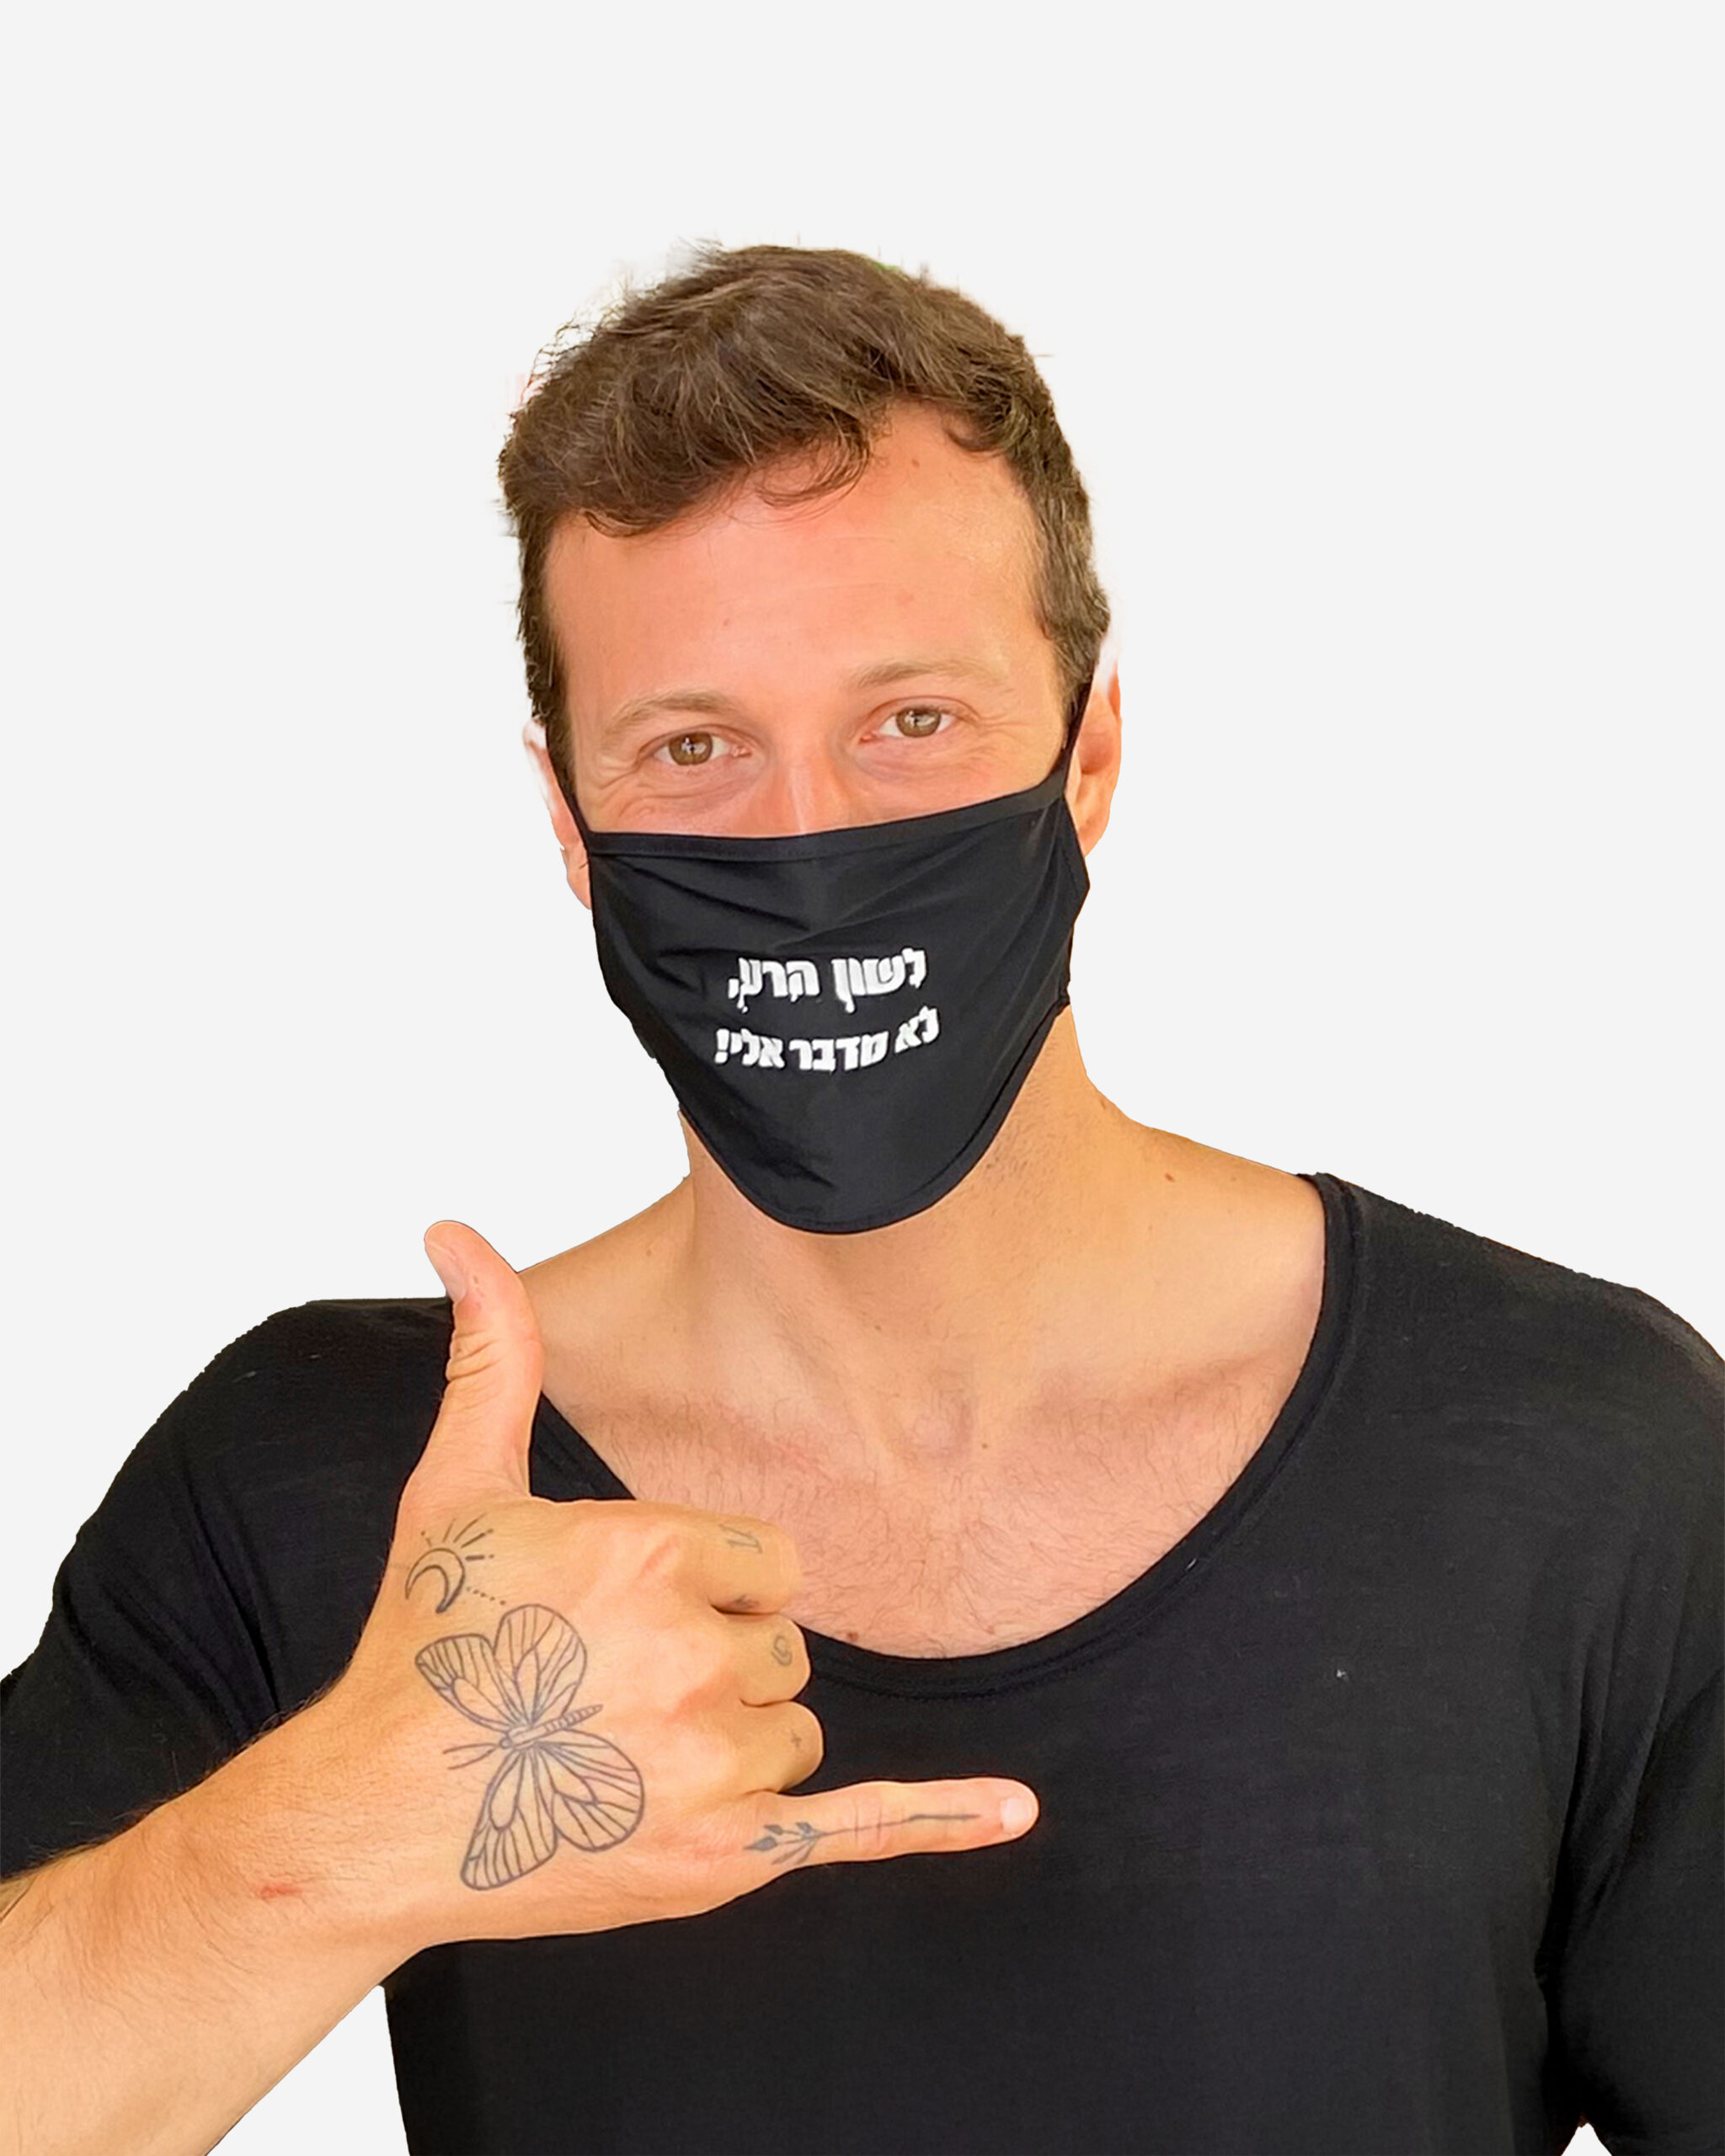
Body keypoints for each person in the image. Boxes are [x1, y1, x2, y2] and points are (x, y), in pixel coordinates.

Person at [1, 243, 1718, 2156]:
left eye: (910, 722)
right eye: (694, 749)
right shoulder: (348, 1486)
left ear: (1090, 757)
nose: (808, 841)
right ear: (572, 828)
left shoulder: (1576, 1448)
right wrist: (334, 1839)